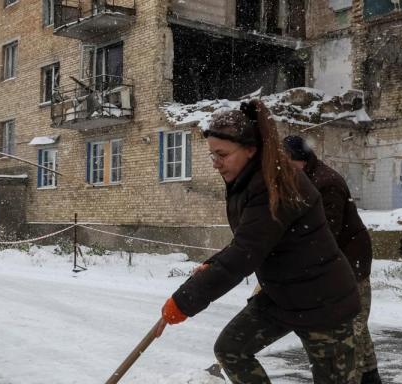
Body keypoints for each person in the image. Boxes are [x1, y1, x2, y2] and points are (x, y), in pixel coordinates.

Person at [159, 100, 361, 383]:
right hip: (283, 296)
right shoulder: (250, 178)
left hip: (323, 302)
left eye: (222, 154)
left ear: (250, 150)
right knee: (231, 349)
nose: (215, 163)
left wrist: (184, 301)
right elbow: (248, 240)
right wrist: (212, 264)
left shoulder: (274, 185)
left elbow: (245, 253)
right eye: (212, 155)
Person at [284, 136, 381, 384]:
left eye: (286, 163)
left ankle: (356, 377)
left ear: (301, 161)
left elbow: (325, 234)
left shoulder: (326, 183)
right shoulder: (304, 178)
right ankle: (371, 379)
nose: (282, 170)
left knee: (350, 335)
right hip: (337, 263)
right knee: (357, 329)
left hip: (350, 265)